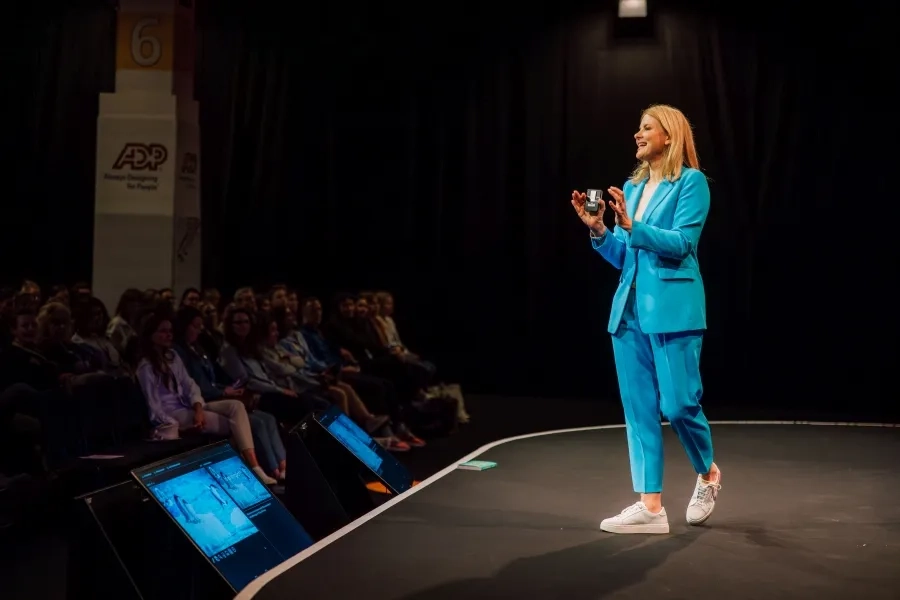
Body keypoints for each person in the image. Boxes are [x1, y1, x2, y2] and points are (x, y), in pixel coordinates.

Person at [570, 104, 721, 534]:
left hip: (674, 309)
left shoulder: (691, 184)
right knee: (639, 411)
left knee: (678, 405)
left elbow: (682, 243)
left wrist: (634, 227)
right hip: (629, 312)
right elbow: (624, 256)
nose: (638, 134)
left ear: (669, 136)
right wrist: (600, 229)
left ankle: (708, 474)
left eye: (647, 128)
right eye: (638, 128)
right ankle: (650, 506)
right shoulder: (632, 189)